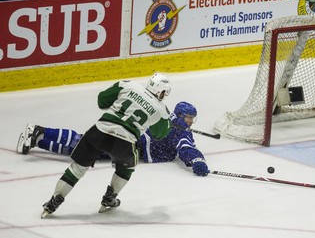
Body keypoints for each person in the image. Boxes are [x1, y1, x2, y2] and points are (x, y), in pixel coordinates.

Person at [34, 73, 172, 218]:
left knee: (78, 168)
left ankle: (54, 201)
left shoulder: (129, 85)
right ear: (160, 91)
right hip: (124, 142)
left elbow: (102, 100)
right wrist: (165, 124)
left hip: (99, 132)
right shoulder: (161, 110)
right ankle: (109, 198)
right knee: (127, 167)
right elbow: (159, 135)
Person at [16, 102, 210, 177]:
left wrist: (195, 159)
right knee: (83, 143)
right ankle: (39, 130)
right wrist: (197, 161)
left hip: (129, 143)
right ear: (181, 115)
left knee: (83, 151)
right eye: (189, 117)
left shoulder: (166, 119)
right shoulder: (178, 130)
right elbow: (186, 149)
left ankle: (38, 140)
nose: (192, 121)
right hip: (129, 143)